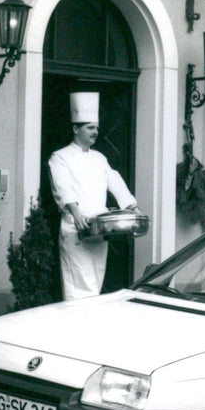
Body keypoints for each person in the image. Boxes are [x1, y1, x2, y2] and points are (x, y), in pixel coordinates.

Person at [48, 92, 140, 301]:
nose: (96, 132)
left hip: (98, 232)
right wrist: (75, 211)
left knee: (95, 285)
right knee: (79, 289)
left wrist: (133, 208)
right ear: (75, 129)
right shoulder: (60, 157)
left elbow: (115, 182)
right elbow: (62, 186)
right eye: (90, 127)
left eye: (96, 128)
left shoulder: (99, 158)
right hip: (76, 231)